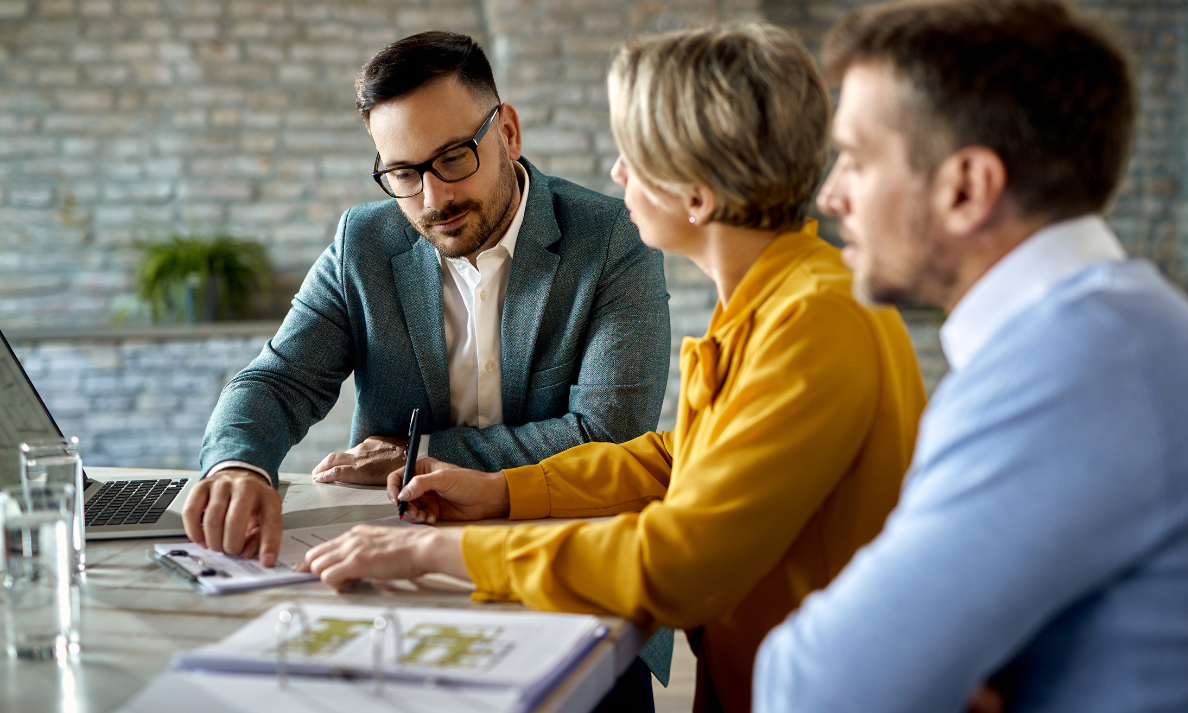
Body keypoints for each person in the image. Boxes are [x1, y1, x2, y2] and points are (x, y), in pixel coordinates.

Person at [299, 24, 927, 713]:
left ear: (696, 196)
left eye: (633, 156)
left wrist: (433, 556)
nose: (616, 174)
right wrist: (501, 490)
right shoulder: (773, 296)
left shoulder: (814, 318)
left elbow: (678, 561)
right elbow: (682, 458)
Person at [753, 1, 1188, 711]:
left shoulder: (1071, 368)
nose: (830, 195)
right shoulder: (1113, 332)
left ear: (966, 188)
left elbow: (816, 688)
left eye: (857, 160)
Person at [181, 31, 669, 567]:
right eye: (403, 173)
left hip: (572, 554)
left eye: (454, 158)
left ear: (507, 133)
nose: (434, 198)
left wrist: (424, 454)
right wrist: (237, 467)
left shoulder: (611, 238)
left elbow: (610, 437)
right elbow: (277, 381)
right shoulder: (363, 243)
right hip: (399, 552)